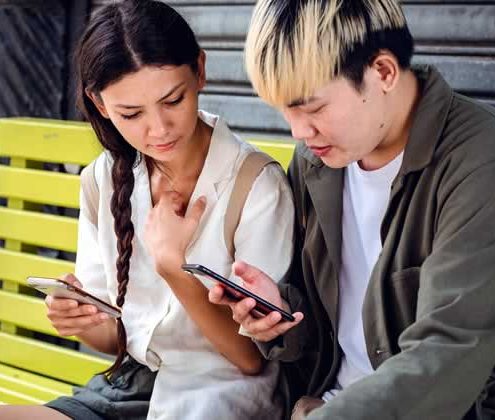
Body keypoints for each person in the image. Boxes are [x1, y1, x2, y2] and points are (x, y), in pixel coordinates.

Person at [208, 0, 495, 419]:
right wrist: (282, 316)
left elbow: (448, 353)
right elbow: (335, 332)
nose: (298, 132)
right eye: (285, 112)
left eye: (313, 108)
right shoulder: (316, 163)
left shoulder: (487, 162)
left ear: (382, 72)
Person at [0, 1, 294, 419]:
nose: (158, 129)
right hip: (130, 387)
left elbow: (251, 359)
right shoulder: (104, 179)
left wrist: (174, 267)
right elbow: (115, 338)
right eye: (131, 113)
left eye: (173, 99)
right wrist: (82, 320)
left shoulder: (257, 186)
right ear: (100, 106)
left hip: (220, 394)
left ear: (201, 71)